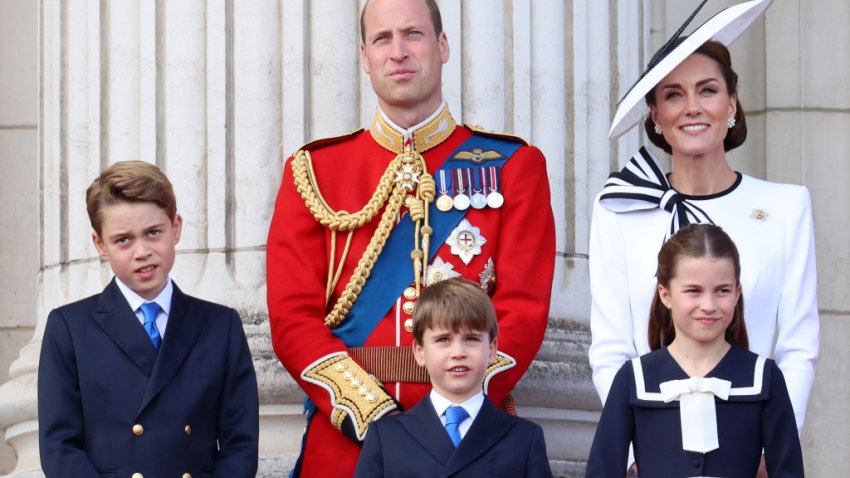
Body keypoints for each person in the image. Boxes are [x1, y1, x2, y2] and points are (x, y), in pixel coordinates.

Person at [266, 0, 555, 475]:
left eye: (413, 35)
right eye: (382, 39)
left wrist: (456, 408)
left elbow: (522, 310)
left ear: (442, 46)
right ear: (364, 56)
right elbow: (293, 318)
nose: (397, 51)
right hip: (346, 442)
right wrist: (372, 417)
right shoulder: (314, 172)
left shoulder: (513, 167)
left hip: (468, 439)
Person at [589, 0, 817, 451]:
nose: (692, 107)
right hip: (653, 445)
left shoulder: (787, 207)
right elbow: (611, 350)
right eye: (674, 94)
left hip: (752, 447)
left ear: (731, 102)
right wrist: (640, 449)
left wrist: (772, 446)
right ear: (655, 114)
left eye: (707, 90)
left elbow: (797, 350)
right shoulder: (618, 209)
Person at [38, 161, 259, 477]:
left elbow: (240, 445)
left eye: (153, 233)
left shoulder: (220, 326)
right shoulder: (69, 328)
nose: (142, 251)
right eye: (123, 240)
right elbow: (59, 448)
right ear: (100, 244)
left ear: (176, 228)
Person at [585, 224, 804, 477]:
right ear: (665, 294)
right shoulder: (633, 378)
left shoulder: (765, 377)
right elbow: (602, 471)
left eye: (722, 290)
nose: (709, 305)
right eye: (694, 291)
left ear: (737, 293)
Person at [354, 278, 553, 477]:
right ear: (419, 351)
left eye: (471, 339)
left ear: (492, 350)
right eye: (443, 340)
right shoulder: (386, 436)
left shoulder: (524, 439)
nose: (458, 352)